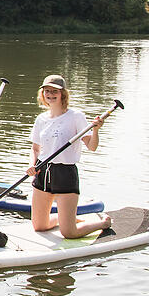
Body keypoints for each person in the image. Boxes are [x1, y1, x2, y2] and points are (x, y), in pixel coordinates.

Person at [27, 74, 111, 238]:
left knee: (69, 233)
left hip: (65, 174)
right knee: (39, 226)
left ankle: (102, 223)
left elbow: (92, 147)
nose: (50, 94)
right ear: (42, 94)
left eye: (55, 91)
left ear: (63, 94)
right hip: (43, 172)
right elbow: (35, 148)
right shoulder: (41, 119)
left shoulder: (75, 116)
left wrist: (95, 129)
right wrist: (32, 165)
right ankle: (65, 218)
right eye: (47, 91)